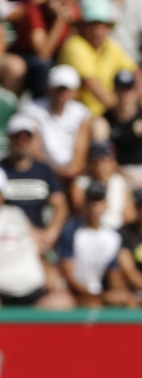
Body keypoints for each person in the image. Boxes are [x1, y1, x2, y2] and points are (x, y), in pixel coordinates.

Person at [0, 167, 73, 309]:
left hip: (33, 288)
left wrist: (50, 270)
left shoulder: (16, 213)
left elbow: (37, 245)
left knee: (62, 303)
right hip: (3, 291)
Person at [57, 0, 139, 117]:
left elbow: (136, 72)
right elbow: (91, 83)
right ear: (82, 27)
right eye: (92, 24)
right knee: (100, 126)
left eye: (101, 25)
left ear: (107, 28)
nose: (97, 30)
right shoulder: (74, 45)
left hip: (112, 111)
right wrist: (119, 112)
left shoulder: (111, 45)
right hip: (86, 114)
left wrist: (138, 106)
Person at [58, 180, 133, 307]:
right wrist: (99, 296)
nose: (95, 207)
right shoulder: (70, 231)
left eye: (99, 202)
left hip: (96, 292)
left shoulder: (113, 237)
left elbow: (114, 275)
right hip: (69, 292)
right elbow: (69, 277)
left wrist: (117, 293)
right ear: (84, 204)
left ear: (105, 205)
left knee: (128, 301)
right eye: (91, 202)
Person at [1, 114, 68, 252]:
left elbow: (60, 205)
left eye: (27, 136)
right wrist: (30, 233)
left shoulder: (44, 170)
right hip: (8, 238)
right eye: (18, 136)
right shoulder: (2, 170)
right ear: (10, 138)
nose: (23, 141)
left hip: (40, 239)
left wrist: (51, 234)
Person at [14, 0, 78, 99]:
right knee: (43, 66)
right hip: (28, 56)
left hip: (56, 57)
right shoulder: (34, 10)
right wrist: (60, 20)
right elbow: (43, 54)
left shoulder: (75, 12)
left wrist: (71, 23)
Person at [22, 64, 92, 180]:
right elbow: (34, 151)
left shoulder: (81, 113)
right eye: (58, 88)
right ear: (49, 88)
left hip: (70, 173)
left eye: (66, 89)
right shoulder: (33, 110)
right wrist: (58, 171)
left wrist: (72, 170)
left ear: (75, 91)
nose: (62, 93)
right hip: (43, 172)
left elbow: (81, 151)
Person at [71, 141, 134, 231]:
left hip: (117, 231)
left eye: (105, 160)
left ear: (113, 162)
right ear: (91, 163)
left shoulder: (120, 182)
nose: (100, 165)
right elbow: (81, 210)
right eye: (96, 161)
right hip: (89, 229)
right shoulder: (81, 183)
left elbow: (129, 216)